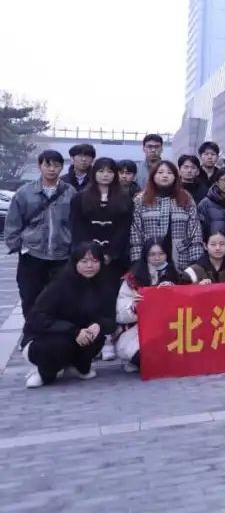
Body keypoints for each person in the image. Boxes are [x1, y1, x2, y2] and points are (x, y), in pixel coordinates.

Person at [6, 150, 76, 345]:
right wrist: (19, 247)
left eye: (56, 165)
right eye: (47, 164)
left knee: (59, 298)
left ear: (62, 167)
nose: (52, 169)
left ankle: (55, 336)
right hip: (32, 254)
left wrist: (73, 247)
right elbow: (13, 223)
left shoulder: (70, 192)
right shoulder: (25, 192)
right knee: (30, 297)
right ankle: (31, 335)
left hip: (61, 255)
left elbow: (76, 222)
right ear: (40, 166)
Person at [22, 242, 116, 388]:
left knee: (95, 339)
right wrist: (73, 331)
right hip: (49, 337)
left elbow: (111, 319)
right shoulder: (60, 285)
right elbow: (37, 318)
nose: (90, 266)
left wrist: (99, 325)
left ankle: (77, 367)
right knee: (60, 345)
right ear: (75, 262)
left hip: (83, 335)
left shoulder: (105, 285)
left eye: (94, 261)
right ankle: (43, 372)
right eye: (84, 261)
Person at [70, 157, 132, 354]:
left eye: (110, 171)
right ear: (94, 173)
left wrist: (111, 253)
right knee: (88, 297)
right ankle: (91, 338)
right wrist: (89, 254)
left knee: (110, 296)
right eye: (101, 171)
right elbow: (77, 227)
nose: (105, 175)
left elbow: (124, 229)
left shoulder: (124, 197)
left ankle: (109, 337)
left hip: (114, 259)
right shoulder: (80, 198)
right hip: (87, 258)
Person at [115, 238, 186, 372]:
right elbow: (120, 314)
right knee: (144, 356)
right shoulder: (132, 279)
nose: (157, 258)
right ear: (145, 256)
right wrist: (134, 307)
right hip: (139, 328)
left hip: (169, 326)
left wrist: (174, 292)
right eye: (152, 254)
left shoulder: (176, 275)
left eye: (161, 254)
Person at [129, 160, 202, 269]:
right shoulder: (141, 199)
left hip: (181, 255)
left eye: (169, 173)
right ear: (153, 176)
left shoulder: (186, 197)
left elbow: (194, 230)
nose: (165, 176)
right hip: (150, 256)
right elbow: (135, 232)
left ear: (175, 177)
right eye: (160, 172)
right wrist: (137, 261)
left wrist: (196, 261)